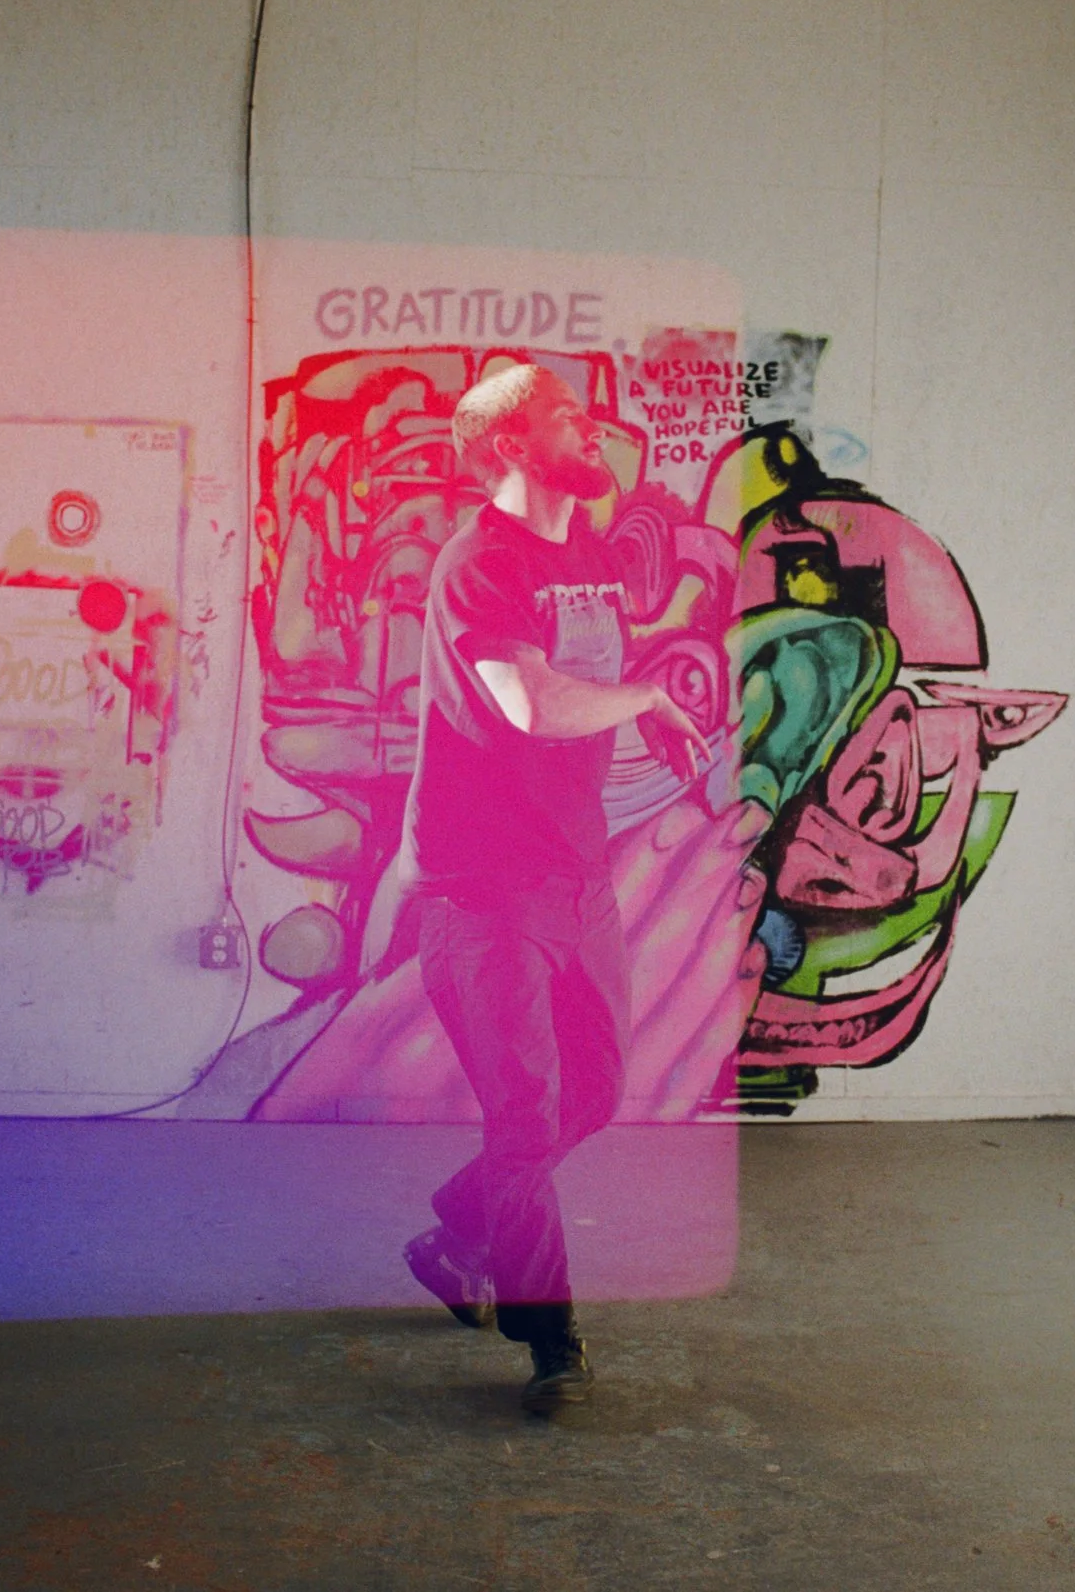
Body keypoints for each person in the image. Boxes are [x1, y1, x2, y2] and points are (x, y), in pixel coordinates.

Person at [399, 362, 711, 1414]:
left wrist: (638, 708)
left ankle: (455, 1230)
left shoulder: (580, 547)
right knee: (528, 1117)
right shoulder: (474, 567)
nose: (590, 432)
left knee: (596, 1090)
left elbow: (574, 688)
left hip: (577, 877)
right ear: (508, 446)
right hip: (481, 895)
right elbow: (528, 703)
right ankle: (550, 1341)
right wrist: (643, 698)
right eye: (564, 419)